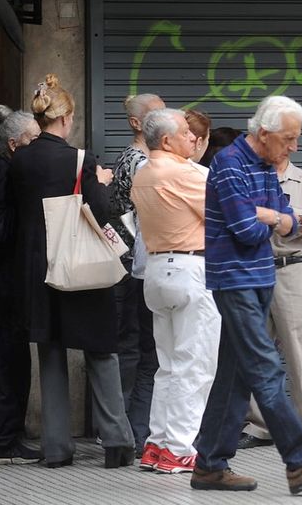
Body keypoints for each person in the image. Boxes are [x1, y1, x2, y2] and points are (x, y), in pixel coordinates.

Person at [193, 95, 302, 494]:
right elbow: (247, 230)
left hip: (259, 278)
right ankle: (300, 462)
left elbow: (284, 217)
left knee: (234, 376)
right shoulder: (229, 165)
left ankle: (209, 465)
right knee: (266, 369)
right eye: (289, 139)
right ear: (264, 133)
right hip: (236, 281)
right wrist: (273, 218)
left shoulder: (263, 166)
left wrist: (271, 216)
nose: (294, 147)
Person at [10, 74, 135, 467]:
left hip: (38, 269)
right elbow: (100, 213)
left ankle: (56, 448)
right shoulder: (80, 159)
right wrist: (99, 182)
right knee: (101, 350)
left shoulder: (19, 161)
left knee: (50, 354)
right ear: (66, 119)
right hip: (81, 266)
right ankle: (117, 443)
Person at [130, 108, 222, 474]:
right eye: (185, 132)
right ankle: (180, 449)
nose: (192, 138)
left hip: (156, 270)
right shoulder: (185, 173)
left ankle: (158, 443)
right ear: (167, 140)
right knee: (195, 365)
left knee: (168, 365)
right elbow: (225, 214)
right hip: (191, 269)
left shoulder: (143, 173)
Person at [240, 130, 302, 449]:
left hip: (291, 270)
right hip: (252, 271)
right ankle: (259, 425)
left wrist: (294, 222)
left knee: (300, 350)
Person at [110, 93, 165, 453]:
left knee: (138, 351)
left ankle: (127, 430)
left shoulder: (141, 160)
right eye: (157, 114)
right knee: (138, 352)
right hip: (134, 270)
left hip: (141, 267)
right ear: (136, 123)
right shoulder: (138, 162)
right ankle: (127, 431)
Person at [0, 110, 43, 464]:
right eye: (33, 141)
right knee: (8, 358)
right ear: (14, 145)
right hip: (5, 284)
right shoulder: (6, 175)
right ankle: (6, 439)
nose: (39, 148)